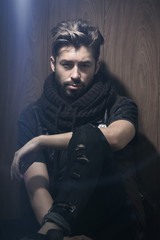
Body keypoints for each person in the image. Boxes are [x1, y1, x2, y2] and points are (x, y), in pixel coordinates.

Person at [11, 19, 144, 240]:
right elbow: (38, 186)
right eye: (67, 64)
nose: (75, 74)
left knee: (90, 134)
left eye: (84, 65)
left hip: (114, 221)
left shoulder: (119, 106)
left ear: (97, 66)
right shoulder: (32, 115)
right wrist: (59, 236)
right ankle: (55, 227)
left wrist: (40, 140)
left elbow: (115, 138)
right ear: (53, 64)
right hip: (57, 224)